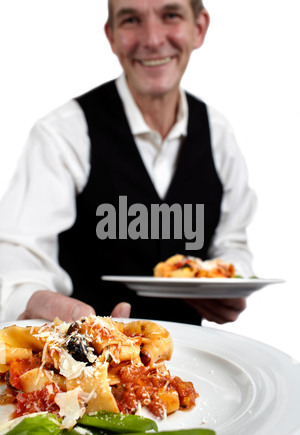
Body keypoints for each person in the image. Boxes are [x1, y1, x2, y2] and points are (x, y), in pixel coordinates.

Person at [0, 0, 256, 325]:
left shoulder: (219, 134)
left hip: (198, 365)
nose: (151, 39)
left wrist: (229, 280)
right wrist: (32, 300)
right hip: (89, 362)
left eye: (171, 15)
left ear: (199, 27)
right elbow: (18, 251)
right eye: (131, 19)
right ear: (112, 36)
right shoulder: (64, 133)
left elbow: (232, 242)